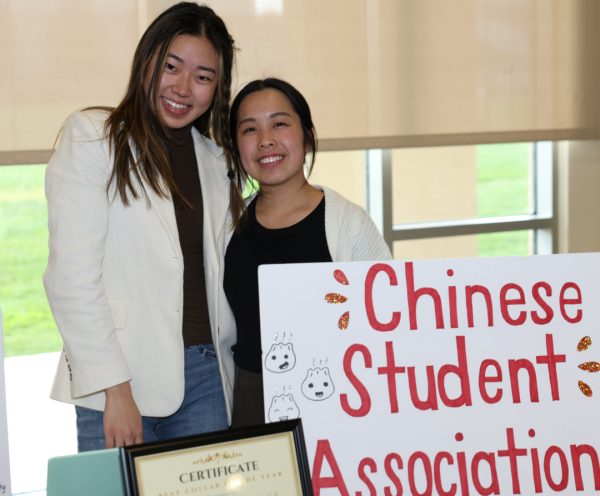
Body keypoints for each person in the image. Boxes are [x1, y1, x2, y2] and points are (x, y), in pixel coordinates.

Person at [44, 2, 241, 451]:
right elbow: (71, 279)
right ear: (147, 60)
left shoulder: (216, 160)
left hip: (208, 378)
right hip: (120, 376)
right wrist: (116, 389)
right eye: (172, 66)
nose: (183, 87)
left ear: (217, 87)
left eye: (203, 76)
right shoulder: (94, 138)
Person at [223, 78, 392, 427]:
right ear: (235, 146)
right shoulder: (226, 228)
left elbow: (387, 316)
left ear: (308, 135)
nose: (266, 139)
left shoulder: (349, 223)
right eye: (249, 129)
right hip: (250, 400)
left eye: (280, 123)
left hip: (340, 398)